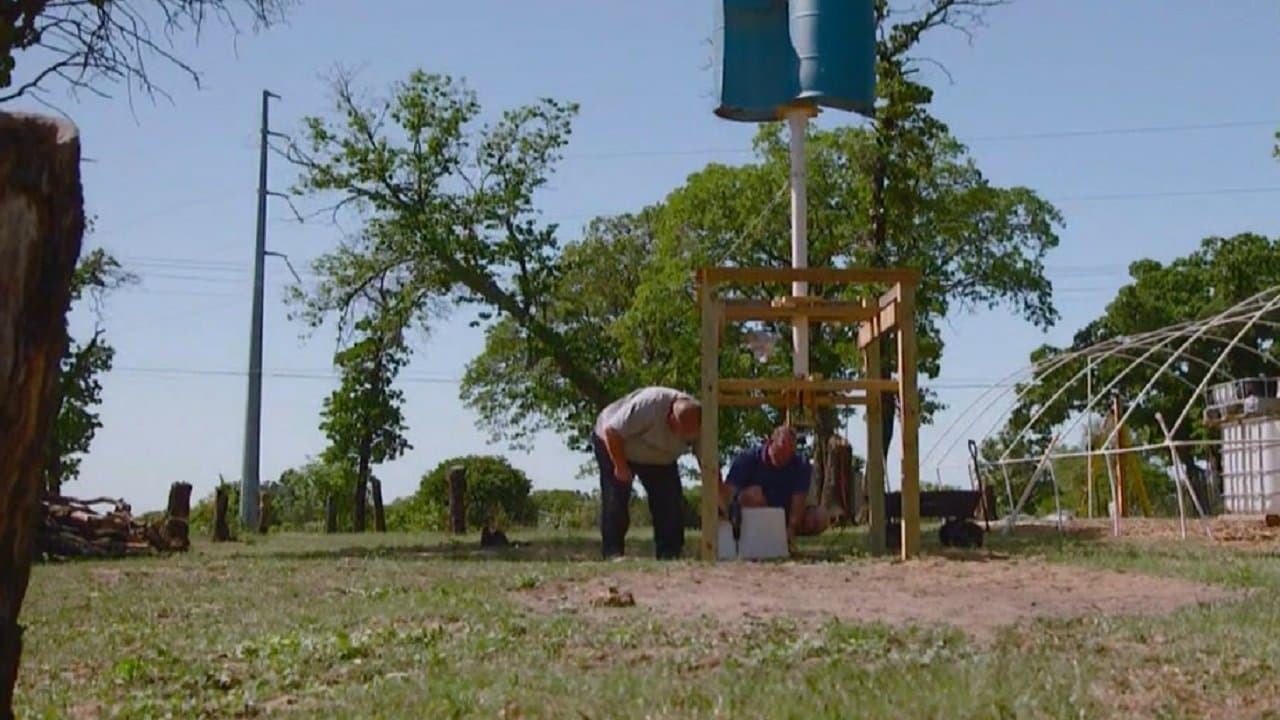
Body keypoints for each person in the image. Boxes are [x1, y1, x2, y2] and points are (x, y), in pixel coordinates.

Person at [592, 386, 702, 560]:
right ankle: (613, 553)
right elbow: (612, 431)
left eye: (688, 437)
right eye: (681, 433)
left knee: (670, 503)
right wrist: (620, 467)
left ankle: (670, 554)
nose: (683, 440)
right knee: (616, 497)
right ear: (671, 419)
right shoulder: (649, 404)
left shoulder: (702, 422)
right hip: (615, 444)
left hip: (661, 458)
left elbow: (708, 466)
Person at [721, 425, 830, 551]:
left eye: (789, 454)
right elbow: (729, 493)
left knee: (821, 517)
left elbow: (799, 500)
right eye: (781, 451)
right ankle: (760, 536)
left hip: (784, 515)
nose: (784, 458)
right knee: (754, 495)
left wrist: (792, 527)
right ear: (770, 442)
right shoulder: (746, 459)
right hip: (752, 514)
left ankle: (784, 537)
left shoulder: (801, 464)